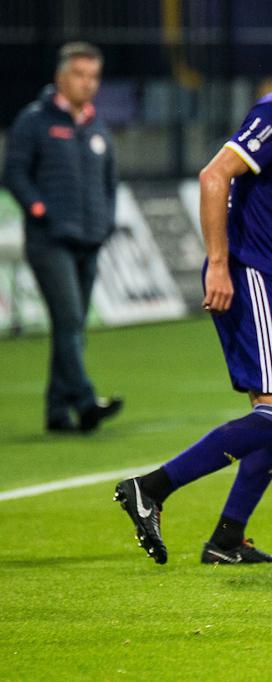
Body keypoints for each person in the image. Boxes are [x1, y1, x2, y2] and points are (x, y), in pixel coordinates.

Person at [113, 10, 272, 566]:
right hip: (250, 275)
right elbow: (214, 175)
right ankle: (152, 487)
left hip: (271, 282)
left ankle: (226, 538)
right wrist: (219, 263)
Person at [3, 42, 123, 433]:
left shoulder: (96, 126)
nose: (87, 84)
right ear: (60, 77)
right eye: (79, 75)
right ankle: (86, 402)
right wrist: (40, 210)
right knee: (70, 319)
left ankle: (57, 412)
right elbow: (15, 174)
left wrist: (105, 221)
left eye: (93, 77)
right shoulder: (34, 121)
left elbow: (110, 183)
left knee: (71, 327)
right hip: (49, 241)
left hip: (90, 240)